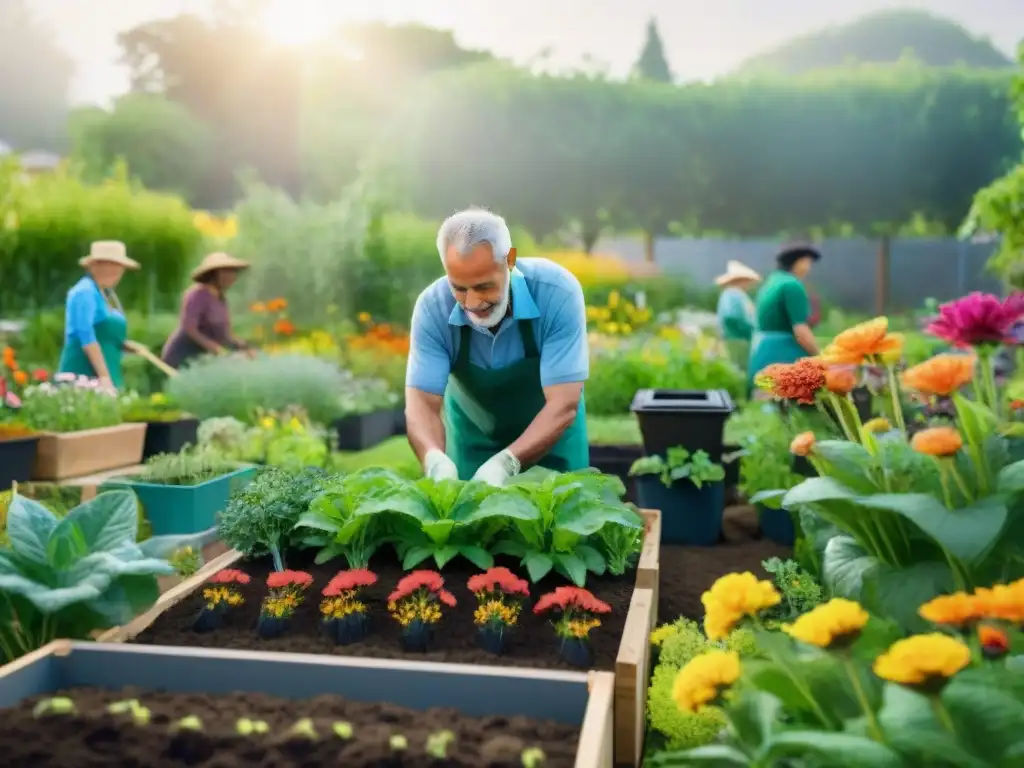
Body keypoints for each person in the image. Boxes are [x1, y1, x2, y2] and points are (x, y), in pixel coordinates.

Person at [405, 208, 589, 485]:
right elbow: (421, 405)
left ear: (510, 260)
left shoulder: (556, 292)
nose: (472, 303)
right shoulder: (433, 309)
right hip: (472, 446)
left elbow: (563, 403)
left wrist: (507, 463)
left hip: (553, 444)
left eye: (484, 286)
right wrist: (433, 460)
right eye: (459, 288)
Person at [58, 240, 139, 390]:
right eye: (107, 265)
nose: (114, 271)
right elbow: (86, 335)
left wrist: (122, 344)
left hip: (107, 372)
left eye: (118, 266)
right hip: (83, 375)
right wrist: (104, 377)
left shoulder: (105, 293)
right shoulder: (84, 292)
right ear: (93, 266)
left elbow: (103, 332)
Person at [162, 252, 254, 369]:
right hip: (182, 357)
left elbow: (225, 335)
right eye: (226, 271)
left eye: (233, 271)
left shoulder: (221, 300)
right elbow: (189, 328)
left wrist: (243, 346)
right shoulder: (197, 294)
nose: (231, 276)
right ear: (213, 274)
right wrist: (217, 349)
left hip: (203, 357)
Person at [747, 244, 821, 390]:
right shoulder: (792, 285)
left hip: (761, 352)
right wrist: (821, 357)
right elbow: (801, 330)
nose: (809, 268)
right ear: (797, 262)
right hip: (782, 354)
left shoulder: (772, 282)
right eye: (807, 262)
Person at [714, 261, 760, 369]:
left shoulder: (736, 294)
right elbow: (731, 317)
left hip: (738, 341)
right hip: (737, 341)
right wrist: (750, 331)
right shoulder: (732, 295)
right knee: (739, 367)